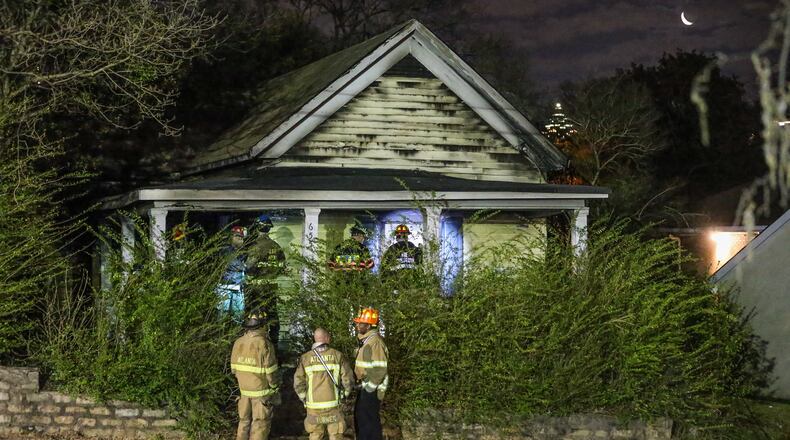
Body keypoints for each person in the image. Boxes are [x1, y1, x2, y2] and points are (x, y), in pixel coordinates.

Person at [293, 328, 354, 440]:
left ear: (315, 339)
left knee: (315, 435)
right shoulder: (337, 355)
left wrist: (303, 398)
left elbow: (298, 382)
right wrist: (344, 394)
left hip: (313, 406)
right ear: (326, 338)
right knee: (336, 435)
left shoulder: (305, 358)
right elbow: (348, 380)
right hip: (333, 405)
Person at [230, 309, 281, 440]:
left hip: (243, 392)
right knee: (260, 424)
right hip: (261, 393)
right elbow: (271, 372)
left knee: (243, 422)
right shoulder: (265, 344)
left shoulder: (238, 342)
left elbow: (234, 370)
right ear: (264, 325)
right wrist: (274, 387)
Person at [244, 215, 286, 343]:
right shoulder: (276, 246)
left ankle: (252, 343)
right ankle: (274, 344)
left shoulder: (254, 246)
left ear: (257, 228)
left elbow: (249, 267)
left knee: (252, 316)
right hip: (271, 287)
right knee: (272, 315)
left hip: (255, 289)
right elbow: (282, 267)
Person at [353, 307, 389, 440]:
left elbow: (380, 369)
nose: (357, 325)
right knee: (363, 421)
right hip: (366, 388)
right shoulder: (368, 340)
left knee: (368, 424)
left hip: (371, 390)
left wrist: (369, 388)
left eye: (360, 323)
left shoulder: (375, 342)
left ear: (368, 326)